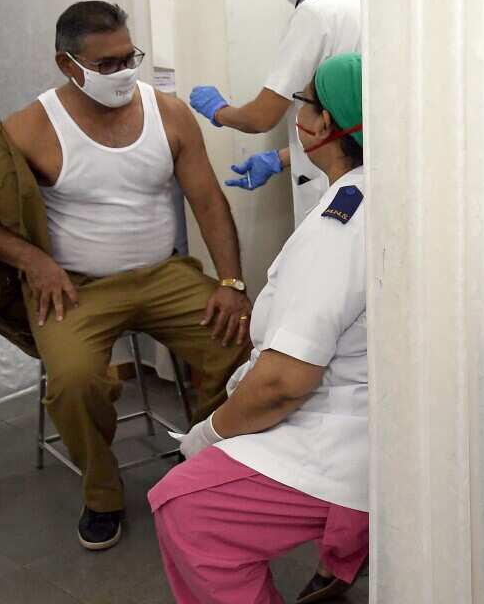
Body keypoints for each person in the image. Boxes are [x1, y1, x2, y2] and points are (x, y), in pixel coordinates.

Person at [0, 1, 251, 551]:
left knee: (239, 336)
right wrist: (33, 261)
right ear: (67, 64)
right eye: (106, 64)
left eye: (130, 57)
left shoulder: (169, 113)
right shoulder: (28, 127)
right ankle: (102, 493)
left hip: (163, 275)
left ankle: (205, 455)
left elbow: (208, 202)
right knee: (76, 380)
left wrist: (231, 283)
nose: (123, 73)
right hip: (77, 287)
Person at [151, 53, 368, 604]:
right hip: (369, 414)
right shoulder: (395, 194)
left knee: (185, 506)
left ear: (323, 126)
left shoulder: (341, 225)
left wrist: (211, 434)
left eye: (306, 107)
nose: (299, 119)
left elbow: (283, 384)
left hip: (340, 434)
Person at [189, 0, 361, 224]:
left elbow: (262, 117)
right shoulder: (370, 1)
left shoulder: (317, 12)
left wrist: (219, 111)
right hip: (362, 173)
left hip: (331, 183)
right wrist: (283, 158)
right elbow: (350, 119)